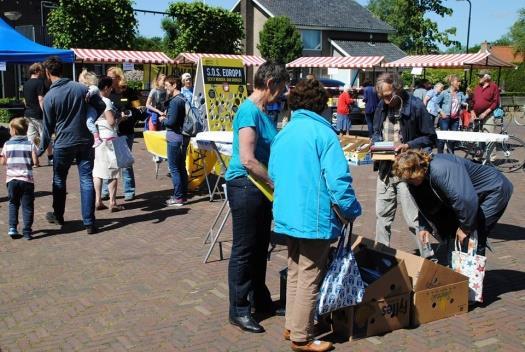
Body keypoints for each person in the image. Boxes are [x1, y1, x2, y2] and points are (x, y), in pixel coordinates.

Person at [269, 79, 361, 352]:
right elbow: (338, 180)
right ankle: (301, 337)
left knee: (297, 270)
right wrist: (352, 209)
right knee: (309, 275)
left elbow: (273, 173)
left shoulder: (283, 133)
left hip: (288, 214)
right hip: (314, 217)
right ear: (321, 104)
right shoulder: (324, 134)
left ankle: (292, 325)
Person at [225, 61, 289, 334]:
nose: (284, 93)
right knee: (244, 248)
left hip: (258, 188)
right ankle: (238, 310)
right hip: (247, 186)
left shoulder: (262, 111)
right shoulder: (249, 111)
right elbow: (248, 159)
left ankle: (259, 299)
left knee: (260, 244)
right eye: (282, 87)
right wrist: (275, 183)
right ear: (271, 83)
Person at [393, 150, 513, 264]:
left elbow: (465, 199)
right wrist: (424, 226)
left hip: (494, 190)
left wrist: (466, 228)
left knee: (473, 237)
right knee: (455, 235)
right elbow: (425, 202)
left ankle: (470, 280)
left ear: (417, 171)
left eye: (411, 179)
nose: (409, 183)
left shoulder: (440, 169)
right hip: (471, 196)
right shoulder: (417, 177)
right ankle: (458, 275)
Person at [371, 72, 437, 256]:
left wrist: (408, 145)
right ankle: (380, 255)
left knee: (413, 219)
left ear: (398, 88)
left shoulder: (415, 106)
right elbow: (376, 131)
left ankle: (427, 256)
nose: (385, 101)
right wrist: (376, 143)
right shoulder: (381, 106)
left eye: (387, 96)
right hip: (385, 170)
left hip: (408, 172)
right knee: (382, 216)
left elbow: (431, 137)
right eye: (381, 97)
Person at [39, 56, 103, 234]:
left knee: (59, 179)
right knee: (86, 179)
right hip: (84, 140)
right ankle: (89, 222)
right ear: (63, 70)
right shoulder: (81, 88)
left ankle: (58, 215)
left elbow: (47, 127)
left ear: (47, 72)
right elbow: (100, 105)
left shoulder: (50, 96)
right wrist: (90, 120)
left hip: (64, 143)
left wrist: (40, 149)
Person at [0, 117, 39, 240]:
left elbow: (3, 162)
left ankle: (12, 227)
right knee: (27, 205)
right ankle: (27, 231)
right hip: (26, 180)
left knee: (13, 203)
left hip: (11, 180)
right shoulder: (30, 144)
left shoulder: (7, 144)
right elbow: (35, 161)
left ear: (14, 131)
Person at [104, 66, 137, 201]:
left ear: (118, 78)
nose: (108, 80)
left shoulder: (129, 92)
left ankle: (129, 190)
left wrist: (128, 114)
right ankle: (106, 190)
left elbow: (138, 109)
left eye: (111, 78)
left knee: (125, 162)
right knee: (109, 162)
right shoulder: (106, 92)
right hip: (110, 131)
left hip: (126, 131)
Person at [92, 76, 123, 212]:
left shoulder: (92, 100)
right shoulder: (106, 101)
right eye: (110, 87)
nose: (111, 90)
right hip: (109, 138)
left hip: (97, 138)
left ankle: (98, 200)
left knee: (97, 171)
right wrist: (121, 118)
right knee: (113, 170)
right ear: (106, 88)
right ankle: (112, 201)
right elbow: (111, 122)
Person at [159, 76, 189, 206]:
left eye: (167, 85)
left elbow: (171, 122)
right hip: (183, 137)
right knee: (181, 167)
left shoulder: (175, 101)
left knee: (174, 168)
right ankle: (183, 195)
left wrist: (163, 120)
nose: (165, 88)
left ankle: (178, 197)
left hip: (175, 137)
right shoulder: (183, 98)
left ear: (174, 85)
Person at [23, 63, 53, 166]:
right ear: (36, 71)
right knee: (46, 136)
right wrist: (47, 113)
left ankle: (34, 160)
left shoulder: (25, 84)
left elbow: (25, 101)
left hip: (28, 114)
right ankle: (50, 158)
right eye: (40, 71)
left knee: (31, 138)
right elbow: (41, 99)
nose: (42, 73)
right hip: (38, 115)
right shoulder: (40, 83)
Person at [435, 75, 467, 153]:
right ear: (452, 82)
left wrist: (463, 106)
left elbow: (464, 102)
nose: (459, 83)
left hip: (455, 119)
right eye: (458, 81)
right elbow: (436, 103)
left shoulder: (460, 93)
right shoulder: (444, 92)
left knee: (453, 138)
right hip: (445, 118)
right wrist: (441, 112)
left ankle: (450, 155)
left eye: (460, 81)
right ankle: (440, 155)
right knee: (443, 138)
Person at [78, 70, 103, 148]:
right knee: (89, 122)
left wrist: (88, 94)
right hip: (92, 108)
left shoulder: (93, 87)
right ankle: (97, 137)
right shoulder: (88, 88)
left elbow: (93, 90)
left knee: (89, 122)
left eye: (80, 81)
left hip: (93, 108)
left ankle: (97, 139)